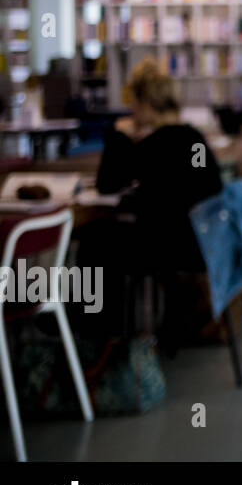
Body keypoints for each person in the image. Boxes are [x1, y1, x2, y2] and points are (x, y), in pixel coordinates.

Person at [80, 59, 224, 350]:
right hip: (201, 244)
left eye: (133, 100)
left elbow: (107, 183)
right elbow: (214, 185)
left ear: (144, 102)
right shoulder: (193, 138)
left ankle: (95, 332)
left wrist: (119, 134)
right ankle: (107, 330)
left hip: (164, 249)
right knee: (104, 240)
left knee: (94, 241)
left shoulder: (151, 146)